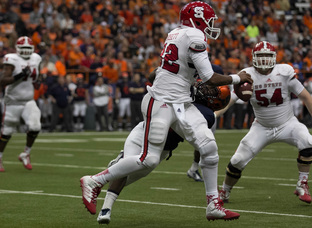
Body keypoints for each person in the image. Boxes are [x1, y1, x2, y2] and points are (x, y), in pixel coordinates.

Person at [80, 1, 252, 221]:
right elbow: (210, 77)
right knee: (148, 159)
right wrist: (239, 78)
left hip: (181, 102)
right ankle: (94, 180)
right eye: (208, 21)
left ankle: (213, 205)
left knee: (208, 146)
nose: (211, 25)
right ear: (197, 18)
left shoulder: (176, 32)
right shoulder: (195, 36)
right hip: (161, 100)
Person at [97, 82, 217, 224]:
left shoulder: (205, 115)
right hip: (143, 134)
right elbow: (154, 79)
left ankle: (113, 169)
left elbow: (200, 144)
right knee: (126, 170)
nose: (205, 90)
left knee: (131, 175)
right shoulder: (176, 92)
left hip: (163, 149)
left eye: (212, 91)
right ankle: (105, 207)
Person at [218, 41, 312, 205]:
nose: (264, 60)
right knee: (238, 160)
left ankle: (302, 183)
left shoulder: (284, 72)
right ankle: (225, 191)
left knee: (308, 141)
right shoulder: (247, 75)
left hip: (288, 123)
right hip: (262, 126)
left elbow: (305, 96)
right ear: (253, 57)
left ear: (274, 57)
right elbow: (231, 100)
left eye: (267, 56)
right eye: (260, 56)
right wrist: (213, 114)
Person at [0, 36, 42, 172]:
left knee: (35, 125)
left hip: (28, 100)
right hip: (13, 101)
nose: (26, 51)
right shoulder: (11, 59)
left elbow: (38, 75)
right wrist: (19, 75)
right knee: (7, 132)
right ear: (17, 49)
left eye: (28, 48)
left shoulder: (36, 58)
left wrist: (38, 81)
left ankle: (26, 153)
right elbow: (2, 81)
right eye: (23, 48)